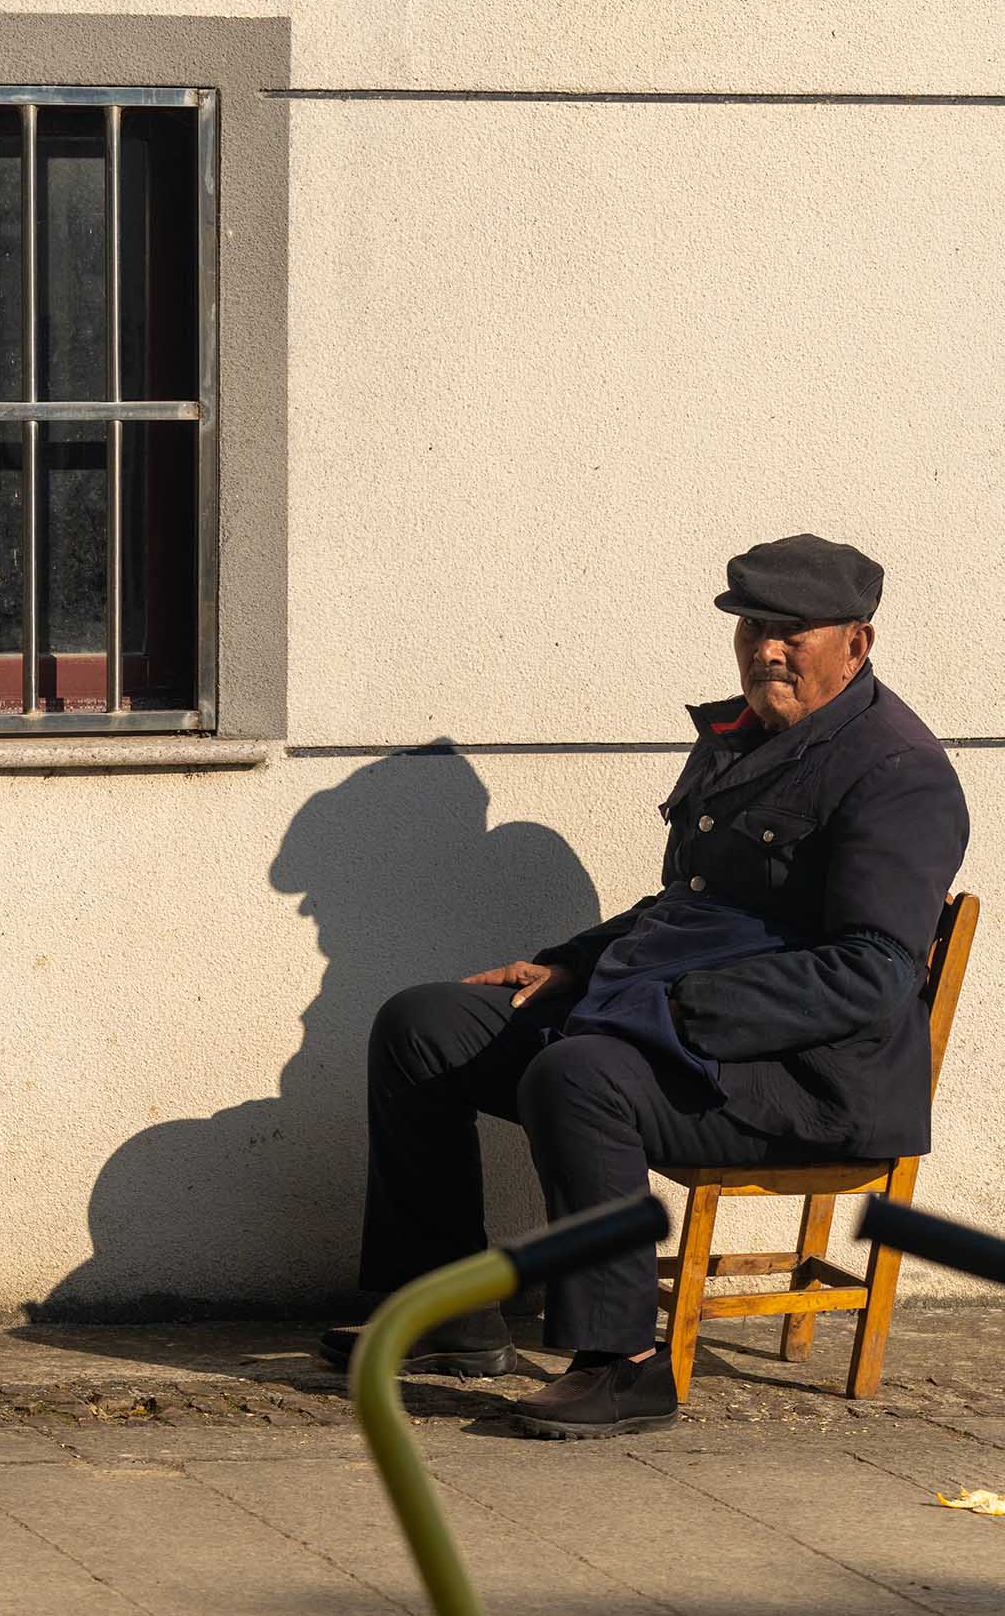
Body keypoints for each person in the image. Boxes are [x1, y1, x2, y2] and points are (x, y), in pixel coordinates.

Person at [319, 535, 970, 1440]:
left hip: (805, 1077)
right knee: (424, 1025)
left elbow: (872, 972)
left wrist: (673, 1015)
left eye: (790, 631)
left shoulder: (897, 775)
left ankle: (623, 1366)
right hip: (662, 1026)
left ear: (856, 643)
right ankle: (450, 1316)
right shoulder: (743, 735)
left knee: (581, 1075)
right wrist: (576, 965)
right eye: (750, 628)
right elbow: (687, 902)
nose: (764, 649)